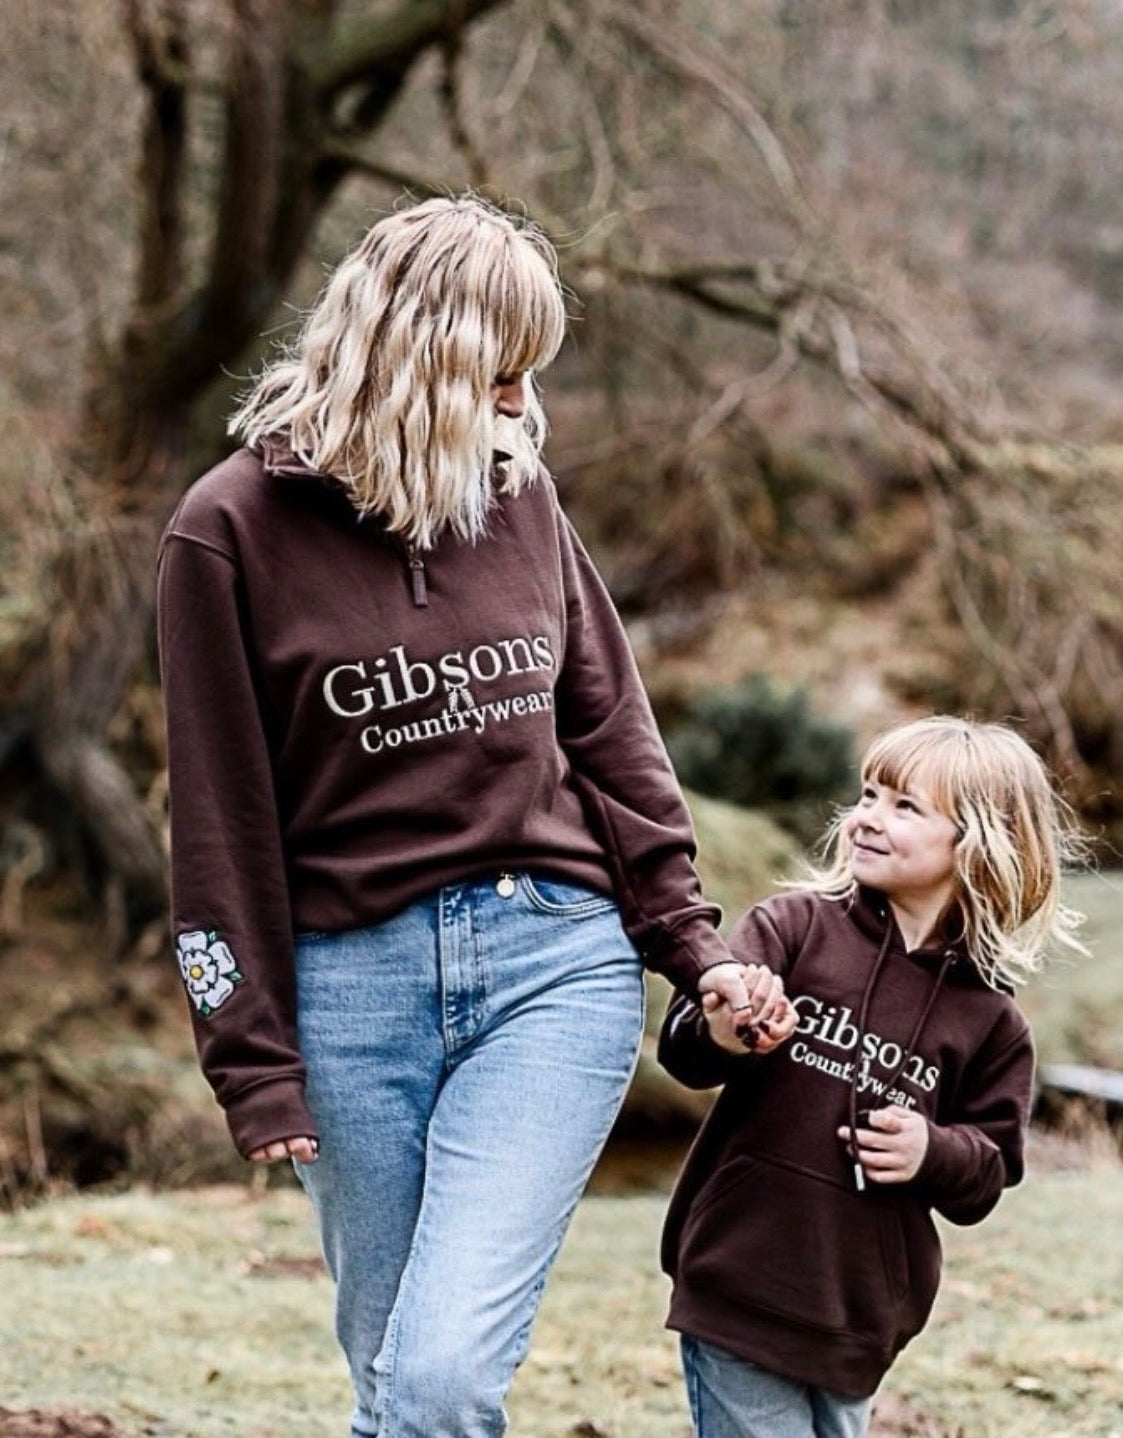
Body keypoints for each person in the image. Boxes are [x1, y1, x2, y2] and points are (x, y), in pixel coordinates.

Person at [154, 195, 780, 1438]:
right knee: (393, 1379)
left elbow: (610, 739)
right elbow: (218, 827)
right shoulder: (223, 535)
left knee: (438, 1379)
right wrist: (254, 1062)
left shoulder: (522, 501)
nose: (519, 403)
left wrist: (693, 951)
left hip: (552, 965)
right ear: (423, 357)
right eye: (502, 370)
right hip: (348, 992)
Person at [658, 715, 1085, 1438]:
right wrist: (727, 1031)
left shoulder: (991, 1022)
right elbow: (685, 1048)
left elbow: (989, 1172)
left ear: (977, 846)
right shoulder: (792, 928)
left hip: (858, 1318)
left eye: (904, 806)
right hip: (740, 1281)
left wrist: (931, 1151)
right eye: (867, 795)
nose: (866, 818)